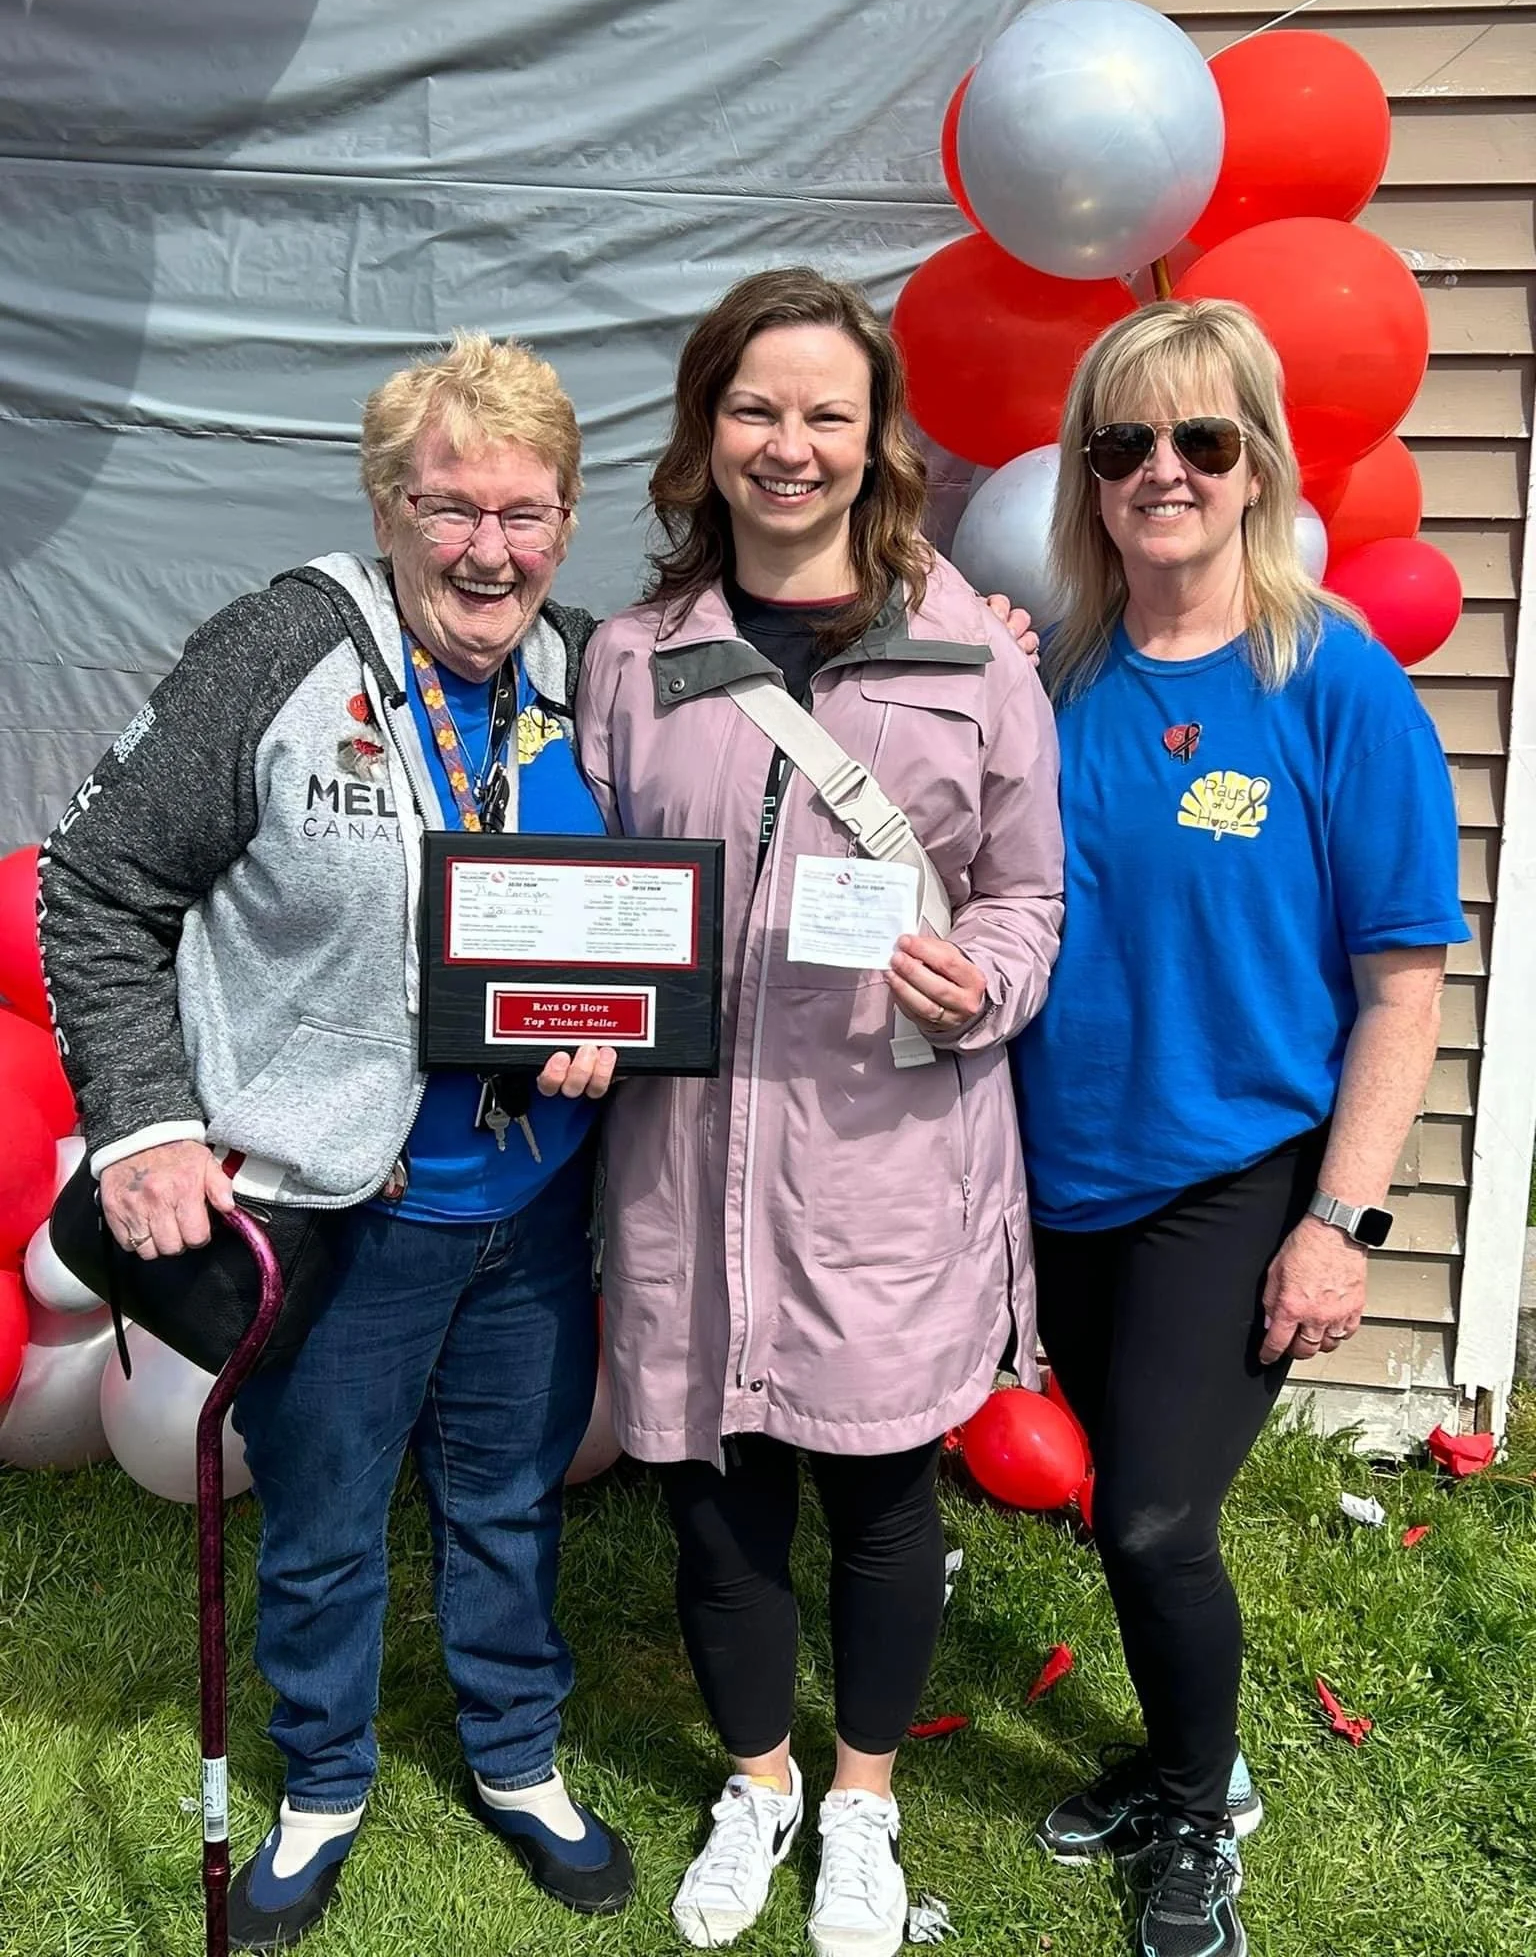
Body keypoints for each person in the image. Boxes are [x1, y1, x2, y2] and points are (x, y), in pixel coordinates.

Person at [38, 333, 637, 1946]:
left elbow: (653, 891)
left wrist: (607, 1023)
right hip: (337, 1204)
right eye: (447, 507)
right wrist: (146, 1123)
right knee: (322, 1515)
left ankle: (515, 1756)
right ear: (386, 506)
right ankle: (323, 1779)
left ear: (569, 523)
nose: (486, 549)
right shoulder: (282, 648)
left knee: (506, 1495)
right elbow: (93, 888)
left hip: (529, 1204)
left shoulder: (591, 669)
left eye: (525, 512)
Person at [570, 267, 1064, 1957]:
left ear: (879, 440)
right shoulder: (633, 662)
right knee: (710, 1492)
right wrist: (569, 1013)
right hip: (681, 1162)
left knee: (877, 1495)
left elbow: (1027, 897)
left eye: (827, 414)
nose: (791, 446)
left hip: (882, 1164)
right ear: (708, 432)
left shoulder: (970, 654)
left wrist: (978, 978)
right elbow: (590, 902)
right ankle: (760, 1775)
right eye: (756, 409)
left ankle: (862, 1797)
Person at [1011, 298, 1468, 1957]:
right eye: (1124, 442)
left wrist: (1338, 1225)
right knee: (1120, 1503)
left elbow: (1403, 988)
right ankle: (1177, 1752)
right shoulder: (1050, 675)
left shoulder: (1332, 679)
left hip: (1239, 1171)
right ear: (1089, 474)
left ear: (1261, 460)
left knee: (1149, 1514)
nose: (1164, 471)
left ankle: (1206, 1807)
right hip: (1065, 1176)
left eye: (1203, 438)